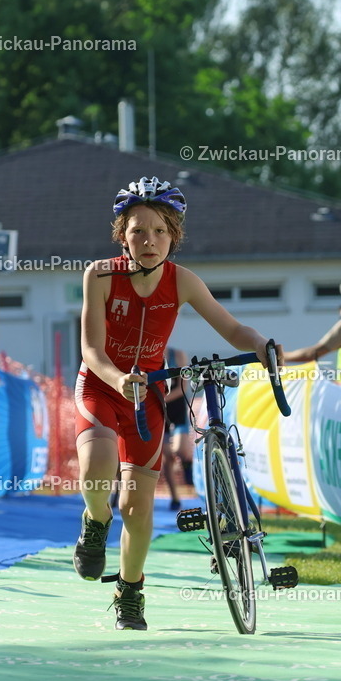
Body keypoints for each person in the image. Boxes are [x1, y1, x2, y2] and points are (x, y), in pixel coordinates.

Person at [73, 176, 282, 632]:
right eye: (138, 231)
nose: (149, 241)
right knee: (97, 467)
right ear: (122, 236)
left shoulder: (183, 281)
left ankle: (129, 592)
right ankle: (94, 521)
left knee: (138, 508)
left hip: (145, 395)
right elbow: (91, 350)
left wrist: (263, 345)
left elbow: (232, 329)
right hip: (101, 385)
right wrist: (116, 377)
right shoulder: (100, 274)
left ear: (175, 236)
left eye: (160, 231)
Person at [162, 346, 195, 511]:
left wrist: (163, 398)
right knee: (167, 457)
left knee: (180, 449)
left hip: (176, 408)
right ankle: (175, 498)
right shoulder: (147, 355)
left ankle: (188, 462)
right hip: (159, 412)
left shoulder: (178, 355)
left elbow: (183, 387)